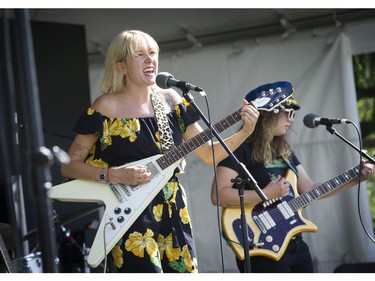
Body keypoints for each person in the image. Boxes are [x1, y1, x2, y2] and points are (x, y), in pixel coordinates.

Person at [60, 29, 259, 273]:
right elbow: (69, 165)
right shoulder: (105, 107)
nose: (150, 60)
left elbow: (209, 154)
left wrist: (245, 132)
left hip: (173, 207)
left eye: (153, 53)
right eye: (140, 54)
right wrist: (115, 175)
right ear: (120, 66)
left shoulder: (171, 100)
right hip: (130, 214)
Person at [211, 81, 374, 273]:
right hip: (260, 246)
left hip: (294, 244)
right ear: (268, 113)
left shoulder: (284, 151)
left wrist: (355, 179)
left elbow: (310, 189)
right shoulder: (239, 148)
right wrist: (266, 194)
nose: (292, 119)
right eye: (288, 112)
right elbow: (218, 195)